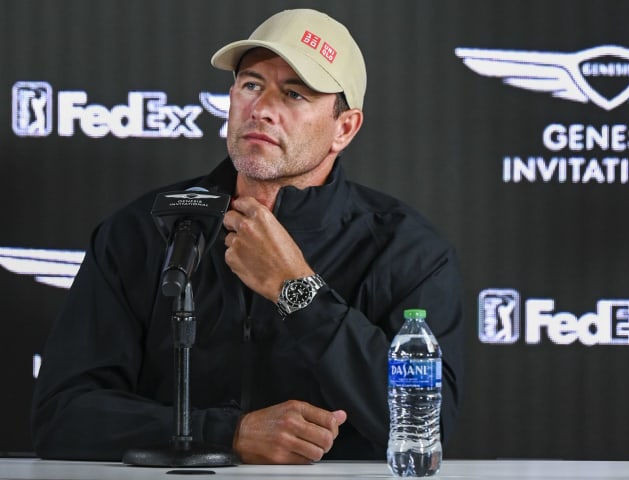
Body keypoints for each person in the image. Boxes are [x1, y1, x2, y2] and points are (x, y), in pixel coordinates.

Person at [31, 8, 464, 464]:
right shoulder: (141, 230)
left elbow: (426, 427)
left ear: (344, 128)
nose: (262, 109)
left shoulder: (408, 250)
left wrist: (297, 290)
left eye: (294, 94)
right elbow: (62, 415)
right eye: (251, 85)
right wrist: (227, 432)